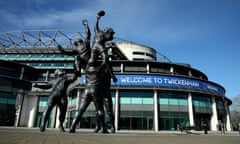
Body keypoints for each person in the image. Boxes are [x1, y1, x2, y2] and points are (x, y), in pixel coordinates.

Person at [69, 10, 116, 133]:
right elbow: (106, 61)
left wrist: (97, 18)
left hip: (89, 84)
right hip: (98, 83)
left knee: (83, 108)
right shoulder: (100, 45)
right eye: (112, 34)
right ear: (108, 33)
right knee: (102, 106)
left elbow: (94, 29)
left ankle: (75, 127)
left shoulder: (98, 35)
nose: (113, 37)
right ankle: (104, 127)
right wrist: (108, 73)